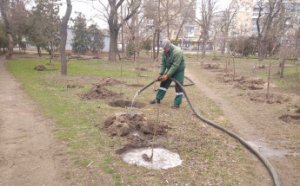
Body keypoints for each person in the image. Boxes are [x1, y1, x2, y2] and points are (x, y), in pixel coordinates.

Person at [150, 39, 185, 108]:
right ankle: (158, 99)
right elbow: (163, 64)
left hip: (178, 70)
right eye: (163, 48)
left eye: (165, 48)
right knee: (163, 83)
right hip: (170, 69)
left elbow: (175, 66)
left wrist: (167, 75)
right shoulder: (164, 52)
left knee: (178, 86)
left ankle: (177, 104)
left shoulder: (177, 52)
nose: (164, 50)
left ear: (169, 46)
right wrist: (161, 74)